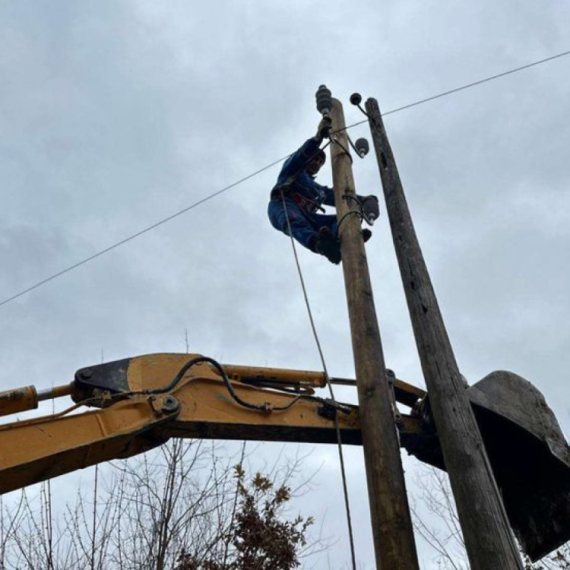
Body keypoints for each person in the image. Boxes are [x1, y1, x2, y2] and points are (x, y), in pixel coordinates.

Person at [268, 117, 376, 264]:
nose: (317, 163)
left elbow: (336, 196)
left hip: (308, 216)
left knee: (342, 218)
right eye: (315, 159)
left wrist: (362, 200)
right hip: (282, 204)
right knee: (295, 221)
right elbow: (300, 156)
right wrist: (318, 138)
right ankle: (319, 244)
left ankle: (347, 239)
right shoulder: (293, 170)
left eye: (320, 162)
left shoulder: (317, 190)